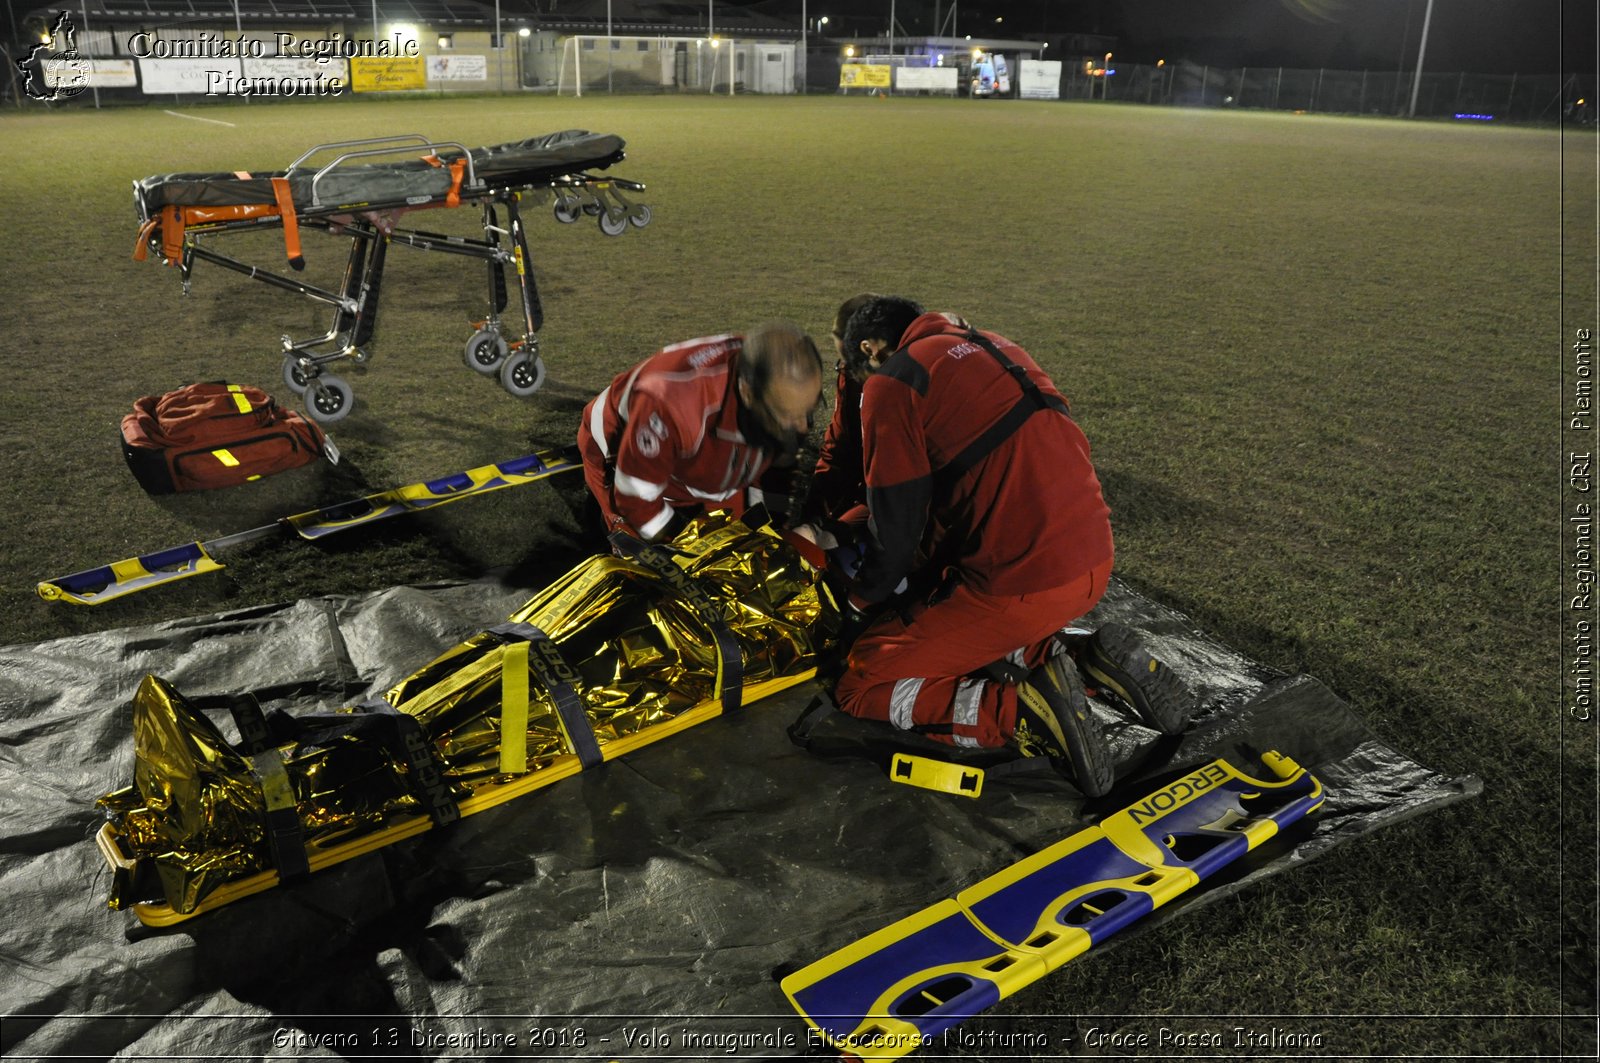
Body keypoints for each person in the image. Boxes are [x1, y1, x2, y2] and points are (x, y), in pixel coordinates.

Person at [821, 296, 1182, 796]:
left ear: (873, 349)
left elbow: (897, 525)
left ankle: (1018, 716)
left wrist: (861, 603)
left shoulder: (893, 382)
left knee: (862, 680)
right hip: (1091, 560)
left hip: (1017, 583)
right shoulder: (996, 345)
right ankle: (1086, 663)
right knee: (967, 633)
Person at [578, 323, 825, 542]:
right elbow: (637, 500)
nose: (802, 426)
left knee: (742, 547)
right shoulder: (672, 404)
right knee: (649, 568)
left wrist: (769, 531)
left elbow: (777, 472)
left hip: (704, 453)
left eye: (808, 410)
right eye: (785, 414)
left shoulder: (775, 386)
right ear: (747, 393)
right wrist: (685, 548)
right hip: (620, 449)